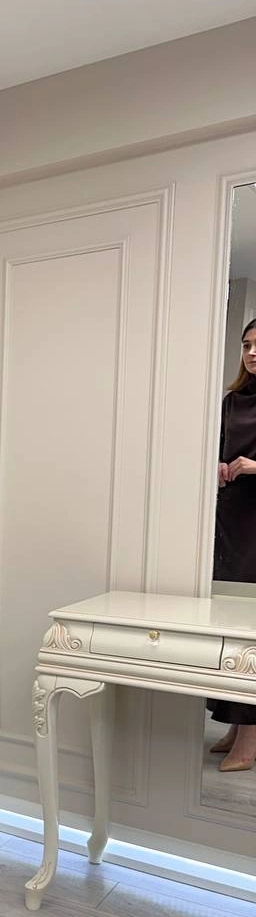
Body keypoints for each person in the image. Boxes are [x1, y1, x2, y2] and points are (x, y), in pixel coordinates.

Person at [209, 316, 256, 771]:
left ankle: (250, 735)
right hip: (230, 518)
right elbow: (217, 446)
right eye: (246, 345)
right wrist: (220, 466)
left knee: (249, 630)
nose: (252, 352)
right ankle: (232, 722)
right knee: (225, 621)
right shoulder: (231, 401)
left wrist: (254, 467)